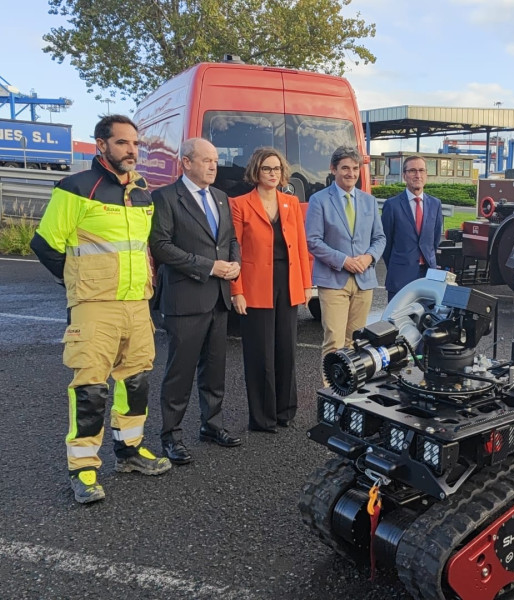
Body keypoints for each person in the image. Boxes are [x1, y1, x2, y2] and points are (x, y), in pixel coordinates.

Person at [30, 115, 171, 504]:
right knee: (91, 388)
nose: (132, 151)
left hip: (136, 304)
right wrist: (76, 281)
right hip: (94, 306)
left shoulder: (142, 192)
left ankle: (130, 452)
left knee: (136, 379)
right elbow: (45, 245)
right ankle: (84, 467)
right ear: (101, 146)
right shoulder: (75, 188)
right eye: (123, 143)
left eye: (136, 144)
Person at [150, 138, 242, 464]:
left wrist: (234, 264)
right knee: (180, 372)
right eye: (206, 160)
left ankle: (211, 424)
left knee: (215, 370)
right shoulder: (165, 198)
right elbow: (160, 246)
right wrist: (208, 266)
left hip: (218, 298)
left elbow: (230, 239)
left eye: (215, 160)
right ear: (186, 163)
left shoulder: (220, 198)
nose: (214, 166)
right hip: (185, 299)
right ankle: (170, 436)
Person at [230, 148, 312, 432]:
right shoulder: (239, 204)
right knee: (260, 353)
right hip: (255, 286)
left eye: (277, 168)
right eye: (267, 169)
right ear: (256, 171)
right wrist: (236, 290)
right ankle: (262, 417)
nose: (273, 173)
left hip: (287, 283)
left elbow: (301, 247)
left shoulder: (290, 203)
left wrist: (306, 284)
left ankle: (285, 411)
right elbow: (234, 251)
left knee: (286, 350)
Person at [305, 146, 386, 368]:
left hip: (364, 280)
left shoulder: (368, 201)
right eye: (345, 168)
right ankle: (332, 397)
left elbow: (380, 238)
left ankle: (351, 395)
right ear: (333, 169)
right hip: (333, 280)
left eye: (355, 168)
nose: (351, 173)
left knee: (356, 343)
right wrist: (344, 261)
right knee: (334, 343)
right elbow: (313, 241)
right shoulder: (319, 200)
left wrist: (369, 257)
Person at [381, 156, 443, 301]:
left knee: (425, 322)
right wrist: (398, 265)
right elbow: (386, 244)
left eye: (421, 170)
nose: (418, 175)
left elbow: (434, 240)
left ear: (426, 174)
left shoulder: (435, 204)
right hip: (400, 276)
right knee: (397, 322)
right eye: (413, 171)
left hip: (428, 275)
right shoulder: (392, 205)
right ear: (404, 175)